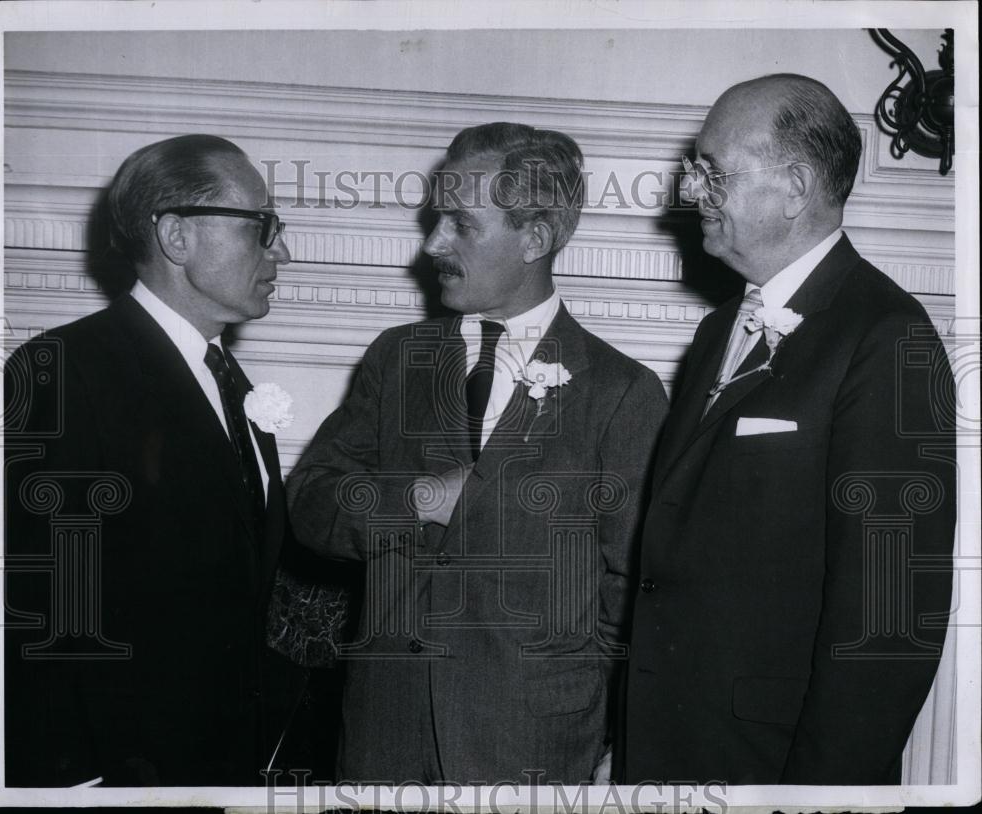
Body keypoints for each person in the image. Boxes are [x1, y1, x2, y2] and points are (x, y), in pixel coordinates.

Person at [287, 122, 668, 784]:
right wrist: (419, 500)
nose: (433, 241)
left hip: (532, 752)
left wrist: (601, 731)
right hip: (384, 742)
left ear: (536, 236)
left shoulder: (621, 392)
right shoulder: (397, 360)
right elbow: (311, 504)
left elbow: (633, 590)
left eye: (461, 223)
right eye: (436, 217)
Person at [622, 74, 956, 785]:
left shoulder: (889, 338)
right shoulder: (717, 332)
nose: (689, 192)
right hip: (670, 751)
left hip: (773, 770)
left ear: (796, 186)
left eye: (712, 171)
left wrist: (823, 797)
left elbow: (890, 621)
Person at [4, 134, 307, 786]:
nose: (282, 250)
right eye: (262, 226)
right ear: (177, 236)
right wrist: (69, 777)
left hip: (219, 767)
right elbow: (38, 595)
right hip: (113, 777)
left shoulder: (236, 387)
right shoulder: (65, 371)